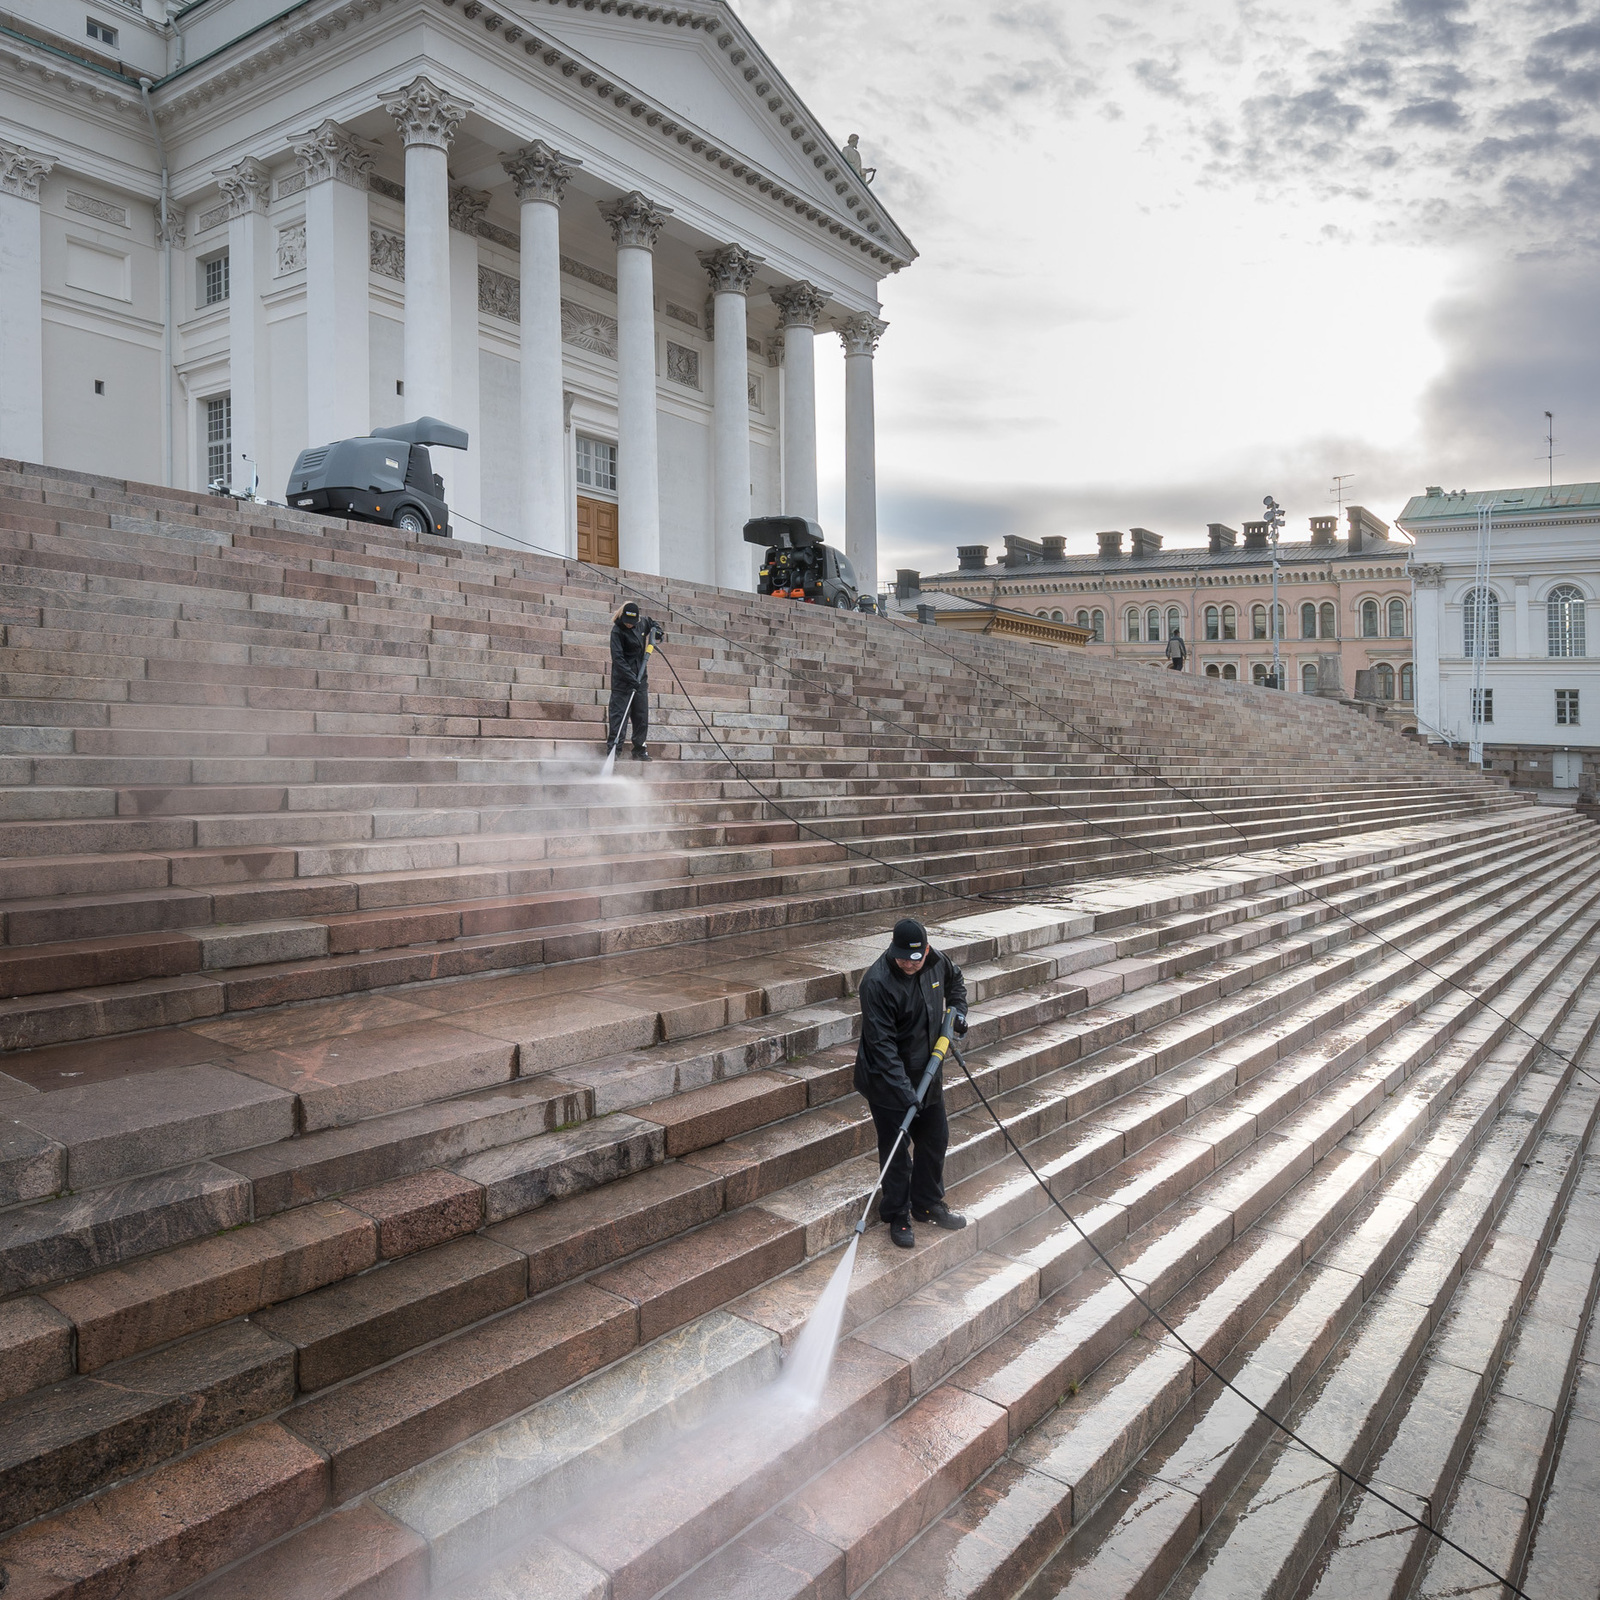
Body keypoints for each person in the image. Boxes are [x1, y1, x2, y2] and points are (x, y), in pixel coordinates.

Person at [853, 917, 969, 1248]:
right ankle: (897, 1214)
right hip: (887, 1081)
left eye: (915, 958)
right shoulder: (876, 983)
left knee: (935, 1139)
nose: (908, 963)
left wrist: (958, 1013)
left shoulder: (936, 962)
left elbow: (956, 982)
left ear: (927, 951)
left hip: (928, 1072)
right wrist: (906, 1095)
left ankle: (927, 1204)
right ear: (894, 950)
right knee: (897, 1151)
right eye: (903, 957)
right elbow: (882, 1047)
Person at [607, 601, 663, 760]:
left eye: (632, 623)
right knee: (619, 717)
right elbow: (618, 659)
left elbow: (653, 624)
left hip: (640, 678)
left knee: (641, 716)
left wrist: (658, 632)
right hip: (622, 680)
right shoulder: (617, 631)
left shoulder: (643, 623)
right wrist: (631, 679)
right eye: (627, 622)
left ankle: (639, 749)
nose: (629, 625)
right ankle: (613, 752)